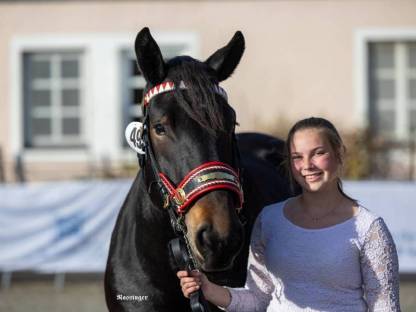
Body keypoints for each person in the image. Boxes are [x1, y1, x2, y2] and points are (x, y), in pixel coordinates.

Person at [177, 117, 401, 311]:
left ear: (339, 154)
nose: (307, 165)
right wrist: (208, 288)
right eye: (297, 157)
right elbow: (258, 299)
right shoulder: (269, 220)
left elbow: (384, 307)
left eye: (319, 153)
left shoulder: (370, 228)